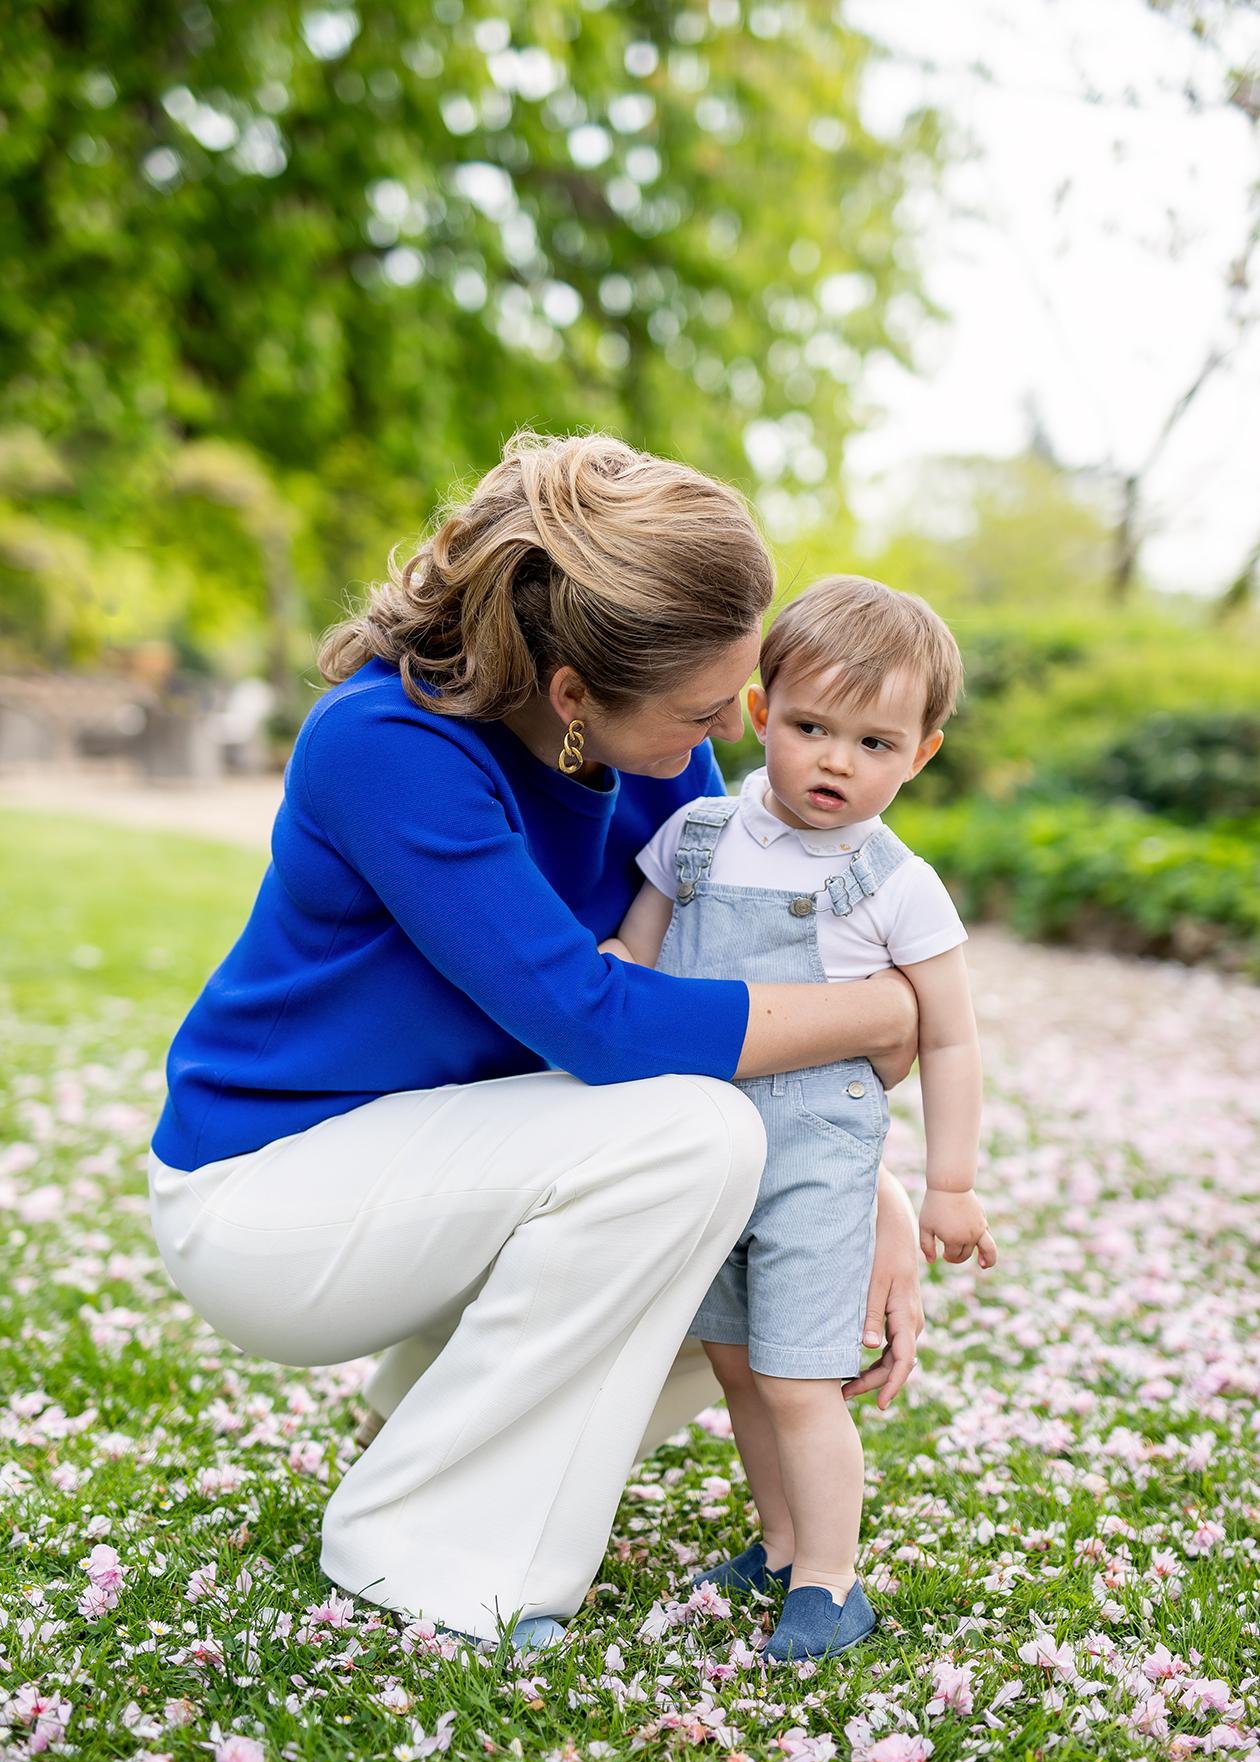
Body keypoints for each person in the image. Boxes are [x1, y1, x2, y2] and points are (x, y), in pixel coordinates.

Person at [146, 434, 924, 1651]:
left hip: (449, 1167)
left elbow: (705, 978)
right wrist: (886, 1014)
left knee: (766, 1211)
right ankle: (426, 1553)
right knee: (694, 1140)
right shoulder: (385, 747)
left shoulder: (656, 746)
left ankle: (428, 1426)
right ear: (573, 696)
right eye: (706, 712)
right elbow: (597, 1021)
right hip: (270, 1201)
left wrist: (859, 1174)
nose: (734, 732)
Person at [603, 575, 998, 1662]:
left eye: (875, 744)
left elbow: (951, 1036)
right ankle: (778, 1544)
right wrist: (614, 970)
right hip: (703, 1142)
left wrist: (950, 1183)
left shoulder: (896, 885)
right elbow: (636, 957)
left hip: (818, 1156)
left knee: (797, 1374)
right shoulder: (695, 836)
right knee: (732, 1359)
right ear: (760, 714)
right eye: (813, 727)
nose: (836, 761)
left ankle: (831, 1579)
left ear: (920, 756)